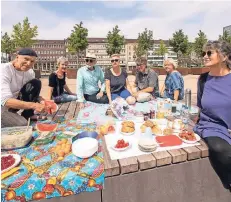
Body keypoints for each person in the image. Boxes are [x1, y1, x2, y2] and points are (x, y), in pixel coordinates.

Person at [193, 40, 231, 189]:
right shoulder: (203, 80)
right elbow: (201, 107)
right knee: (220, 149)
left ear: (224, 56)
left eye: (210, 52)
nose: (205, 56)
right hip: (212, 126)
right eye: (204, 53)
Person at [1, 48, 50, 128]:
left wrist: (41, 100)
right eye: (26, 59)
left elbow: (32, 92)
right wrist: (33, 105)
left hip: (15, 103)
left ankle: (28, 114)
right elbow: (5, 101)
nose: (28, 63)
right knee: (22, 124)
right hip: (3, 106)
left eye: (32, 61)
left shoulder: (30, 72)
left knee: (36, 83)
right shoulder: (4, 70)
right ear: (17, 57)